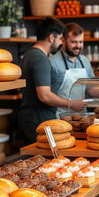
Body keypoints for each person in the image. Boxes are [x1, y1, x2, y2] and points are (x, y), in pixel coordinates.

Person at [18, 17, 84, 145]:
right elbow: (44, 95)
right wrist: (71, 104)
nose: (61, 43)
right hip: (38, 119)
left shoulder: (28, 54)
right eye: (60, 39)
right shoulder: (40, 59)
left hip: (29, 117)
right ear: (51, 38)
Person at [50, 22, 94, 117]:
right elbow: (47, 96)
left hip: (82, 117)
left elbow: (90, 89)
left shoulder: (85, 61)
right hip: (60, 117)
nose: (78, 46)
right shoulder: (53, 62)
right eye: (74, 42)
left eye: (81, 42)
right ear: (63, 41)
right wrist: (71, 104)